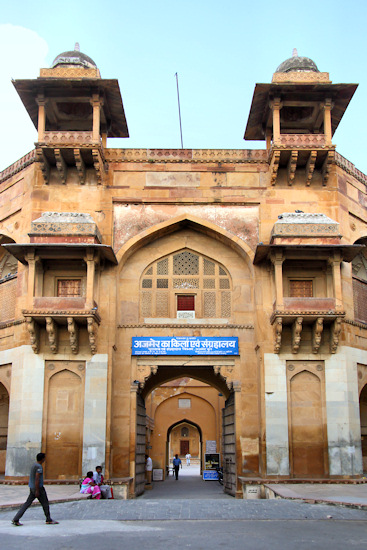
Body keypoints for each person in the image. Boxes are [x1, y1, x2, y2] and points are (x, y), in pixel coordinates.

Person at [12, 452, 59, 526]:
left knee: (27, 503)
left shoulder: (34, 465)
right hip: (38, 488)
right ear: (42, 459)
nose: (45, 459)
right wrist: (37, 490)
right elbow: (37, 479)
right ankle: (48, 519)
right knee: (45, 503)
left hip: (32, 488)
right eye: (44, 458)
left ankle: (16, 518)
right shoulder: (39, 467)